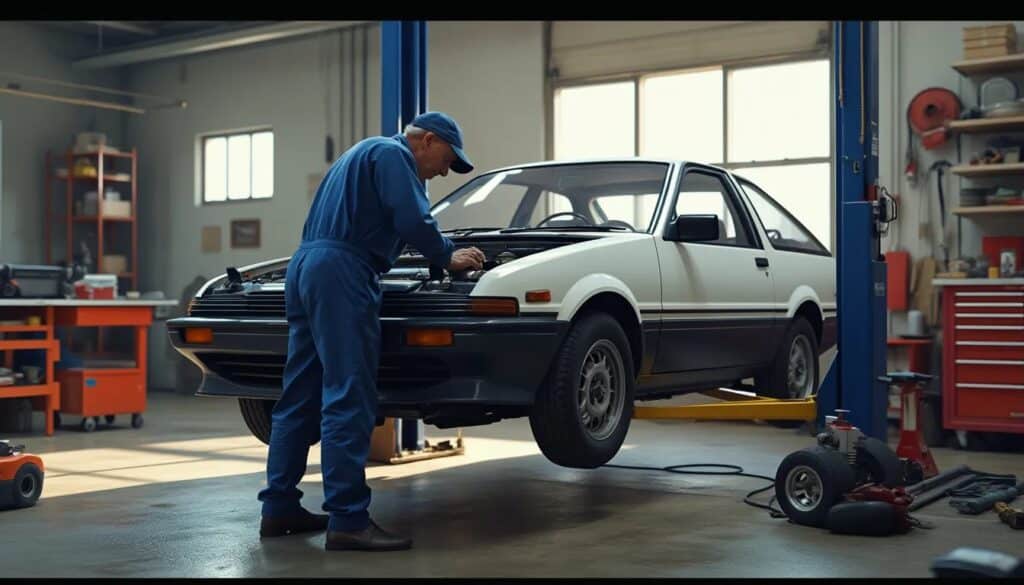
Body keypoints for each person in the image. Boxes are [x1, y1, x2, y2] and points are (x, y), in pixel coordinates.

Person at [256, 111, 485, 551]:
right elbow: (413, 220)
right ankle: (348, 520)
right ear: (428, 140)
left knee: (298, 396)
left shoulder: (357, 154)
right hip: (343, 270)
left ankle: (279, 508)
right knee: (348, 393)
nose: (442, 172)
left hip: (305, 267)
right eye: (446, 160)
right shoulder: (392, 154)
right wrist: (447, 256)